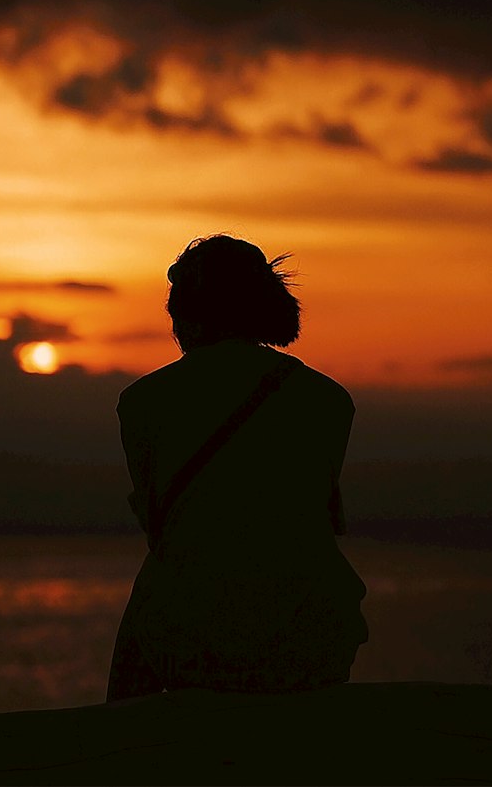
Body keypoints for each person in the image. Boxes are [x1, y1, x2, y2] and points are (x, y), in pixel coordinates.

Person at [107, 235, 367, 701]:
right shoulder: (328, 400)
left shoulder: (141, 404)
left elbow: (163, 532)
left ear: (183, 312)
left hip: (190, 637)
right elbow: (316, 518)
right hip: (306, 633)